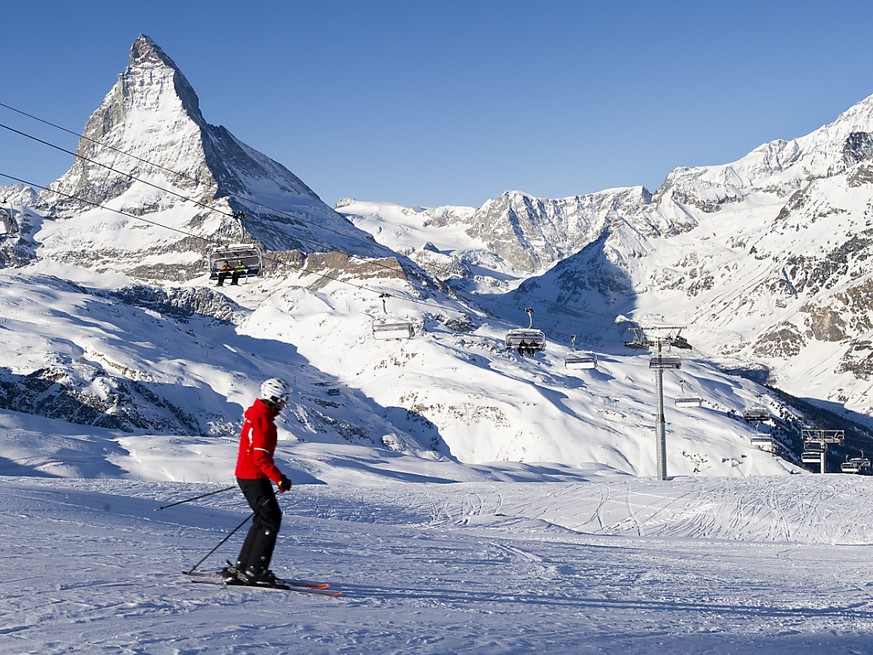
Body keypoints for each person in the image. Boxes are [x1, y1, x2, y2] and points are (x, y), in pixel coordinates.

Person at [222, 378, 293, 587]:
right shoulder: (262, 420)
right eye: (283, 399)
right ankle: (255, 569)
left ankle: (245, 566)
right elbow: (260, 458)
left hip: (250, 475)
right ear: (272, 398)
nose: (284, 404)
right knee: (270, 520)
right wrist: (279, 478)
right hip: (253, 475)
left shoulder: (259, 416)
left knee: (263, 520)